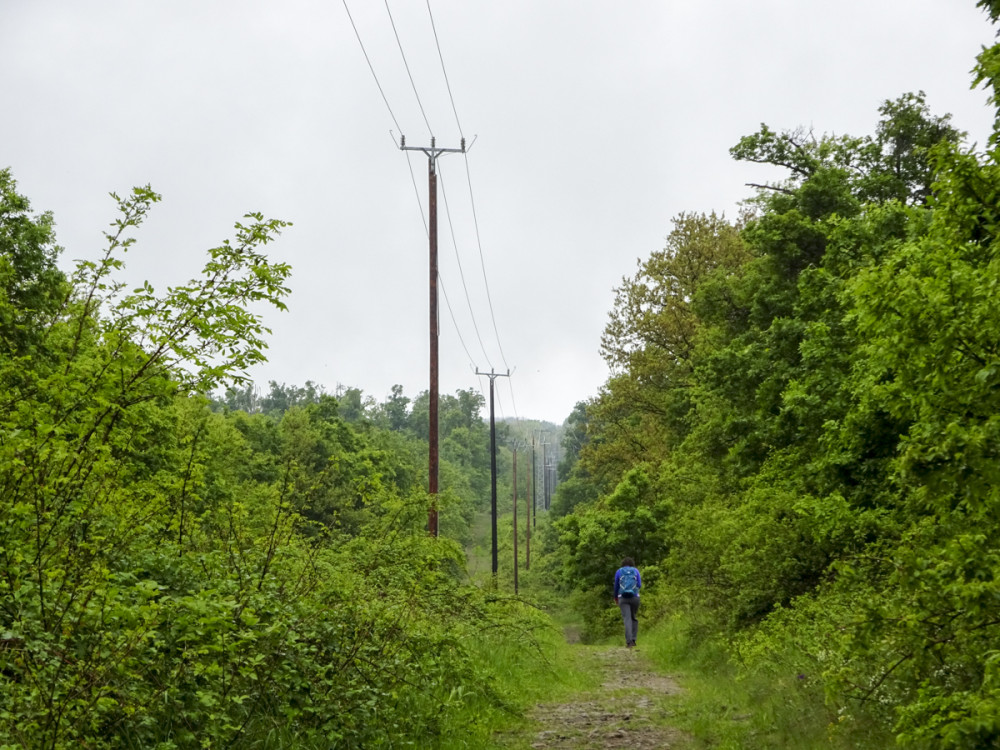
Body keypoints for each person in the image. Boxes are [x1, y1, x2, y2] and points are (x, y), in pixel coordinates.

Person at [613, 557, 641, 648]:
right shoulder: (636, 571)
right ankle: (633, 639)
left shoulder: (619, 571)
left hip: (623, 598)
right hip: (635, 597)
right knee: (633, 618)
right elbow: (639, 585)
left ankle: (628, 642)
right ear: (632, 564)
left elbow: (616, 586)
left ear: (623, 564)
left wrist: (616, 598)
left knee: (627, 619)